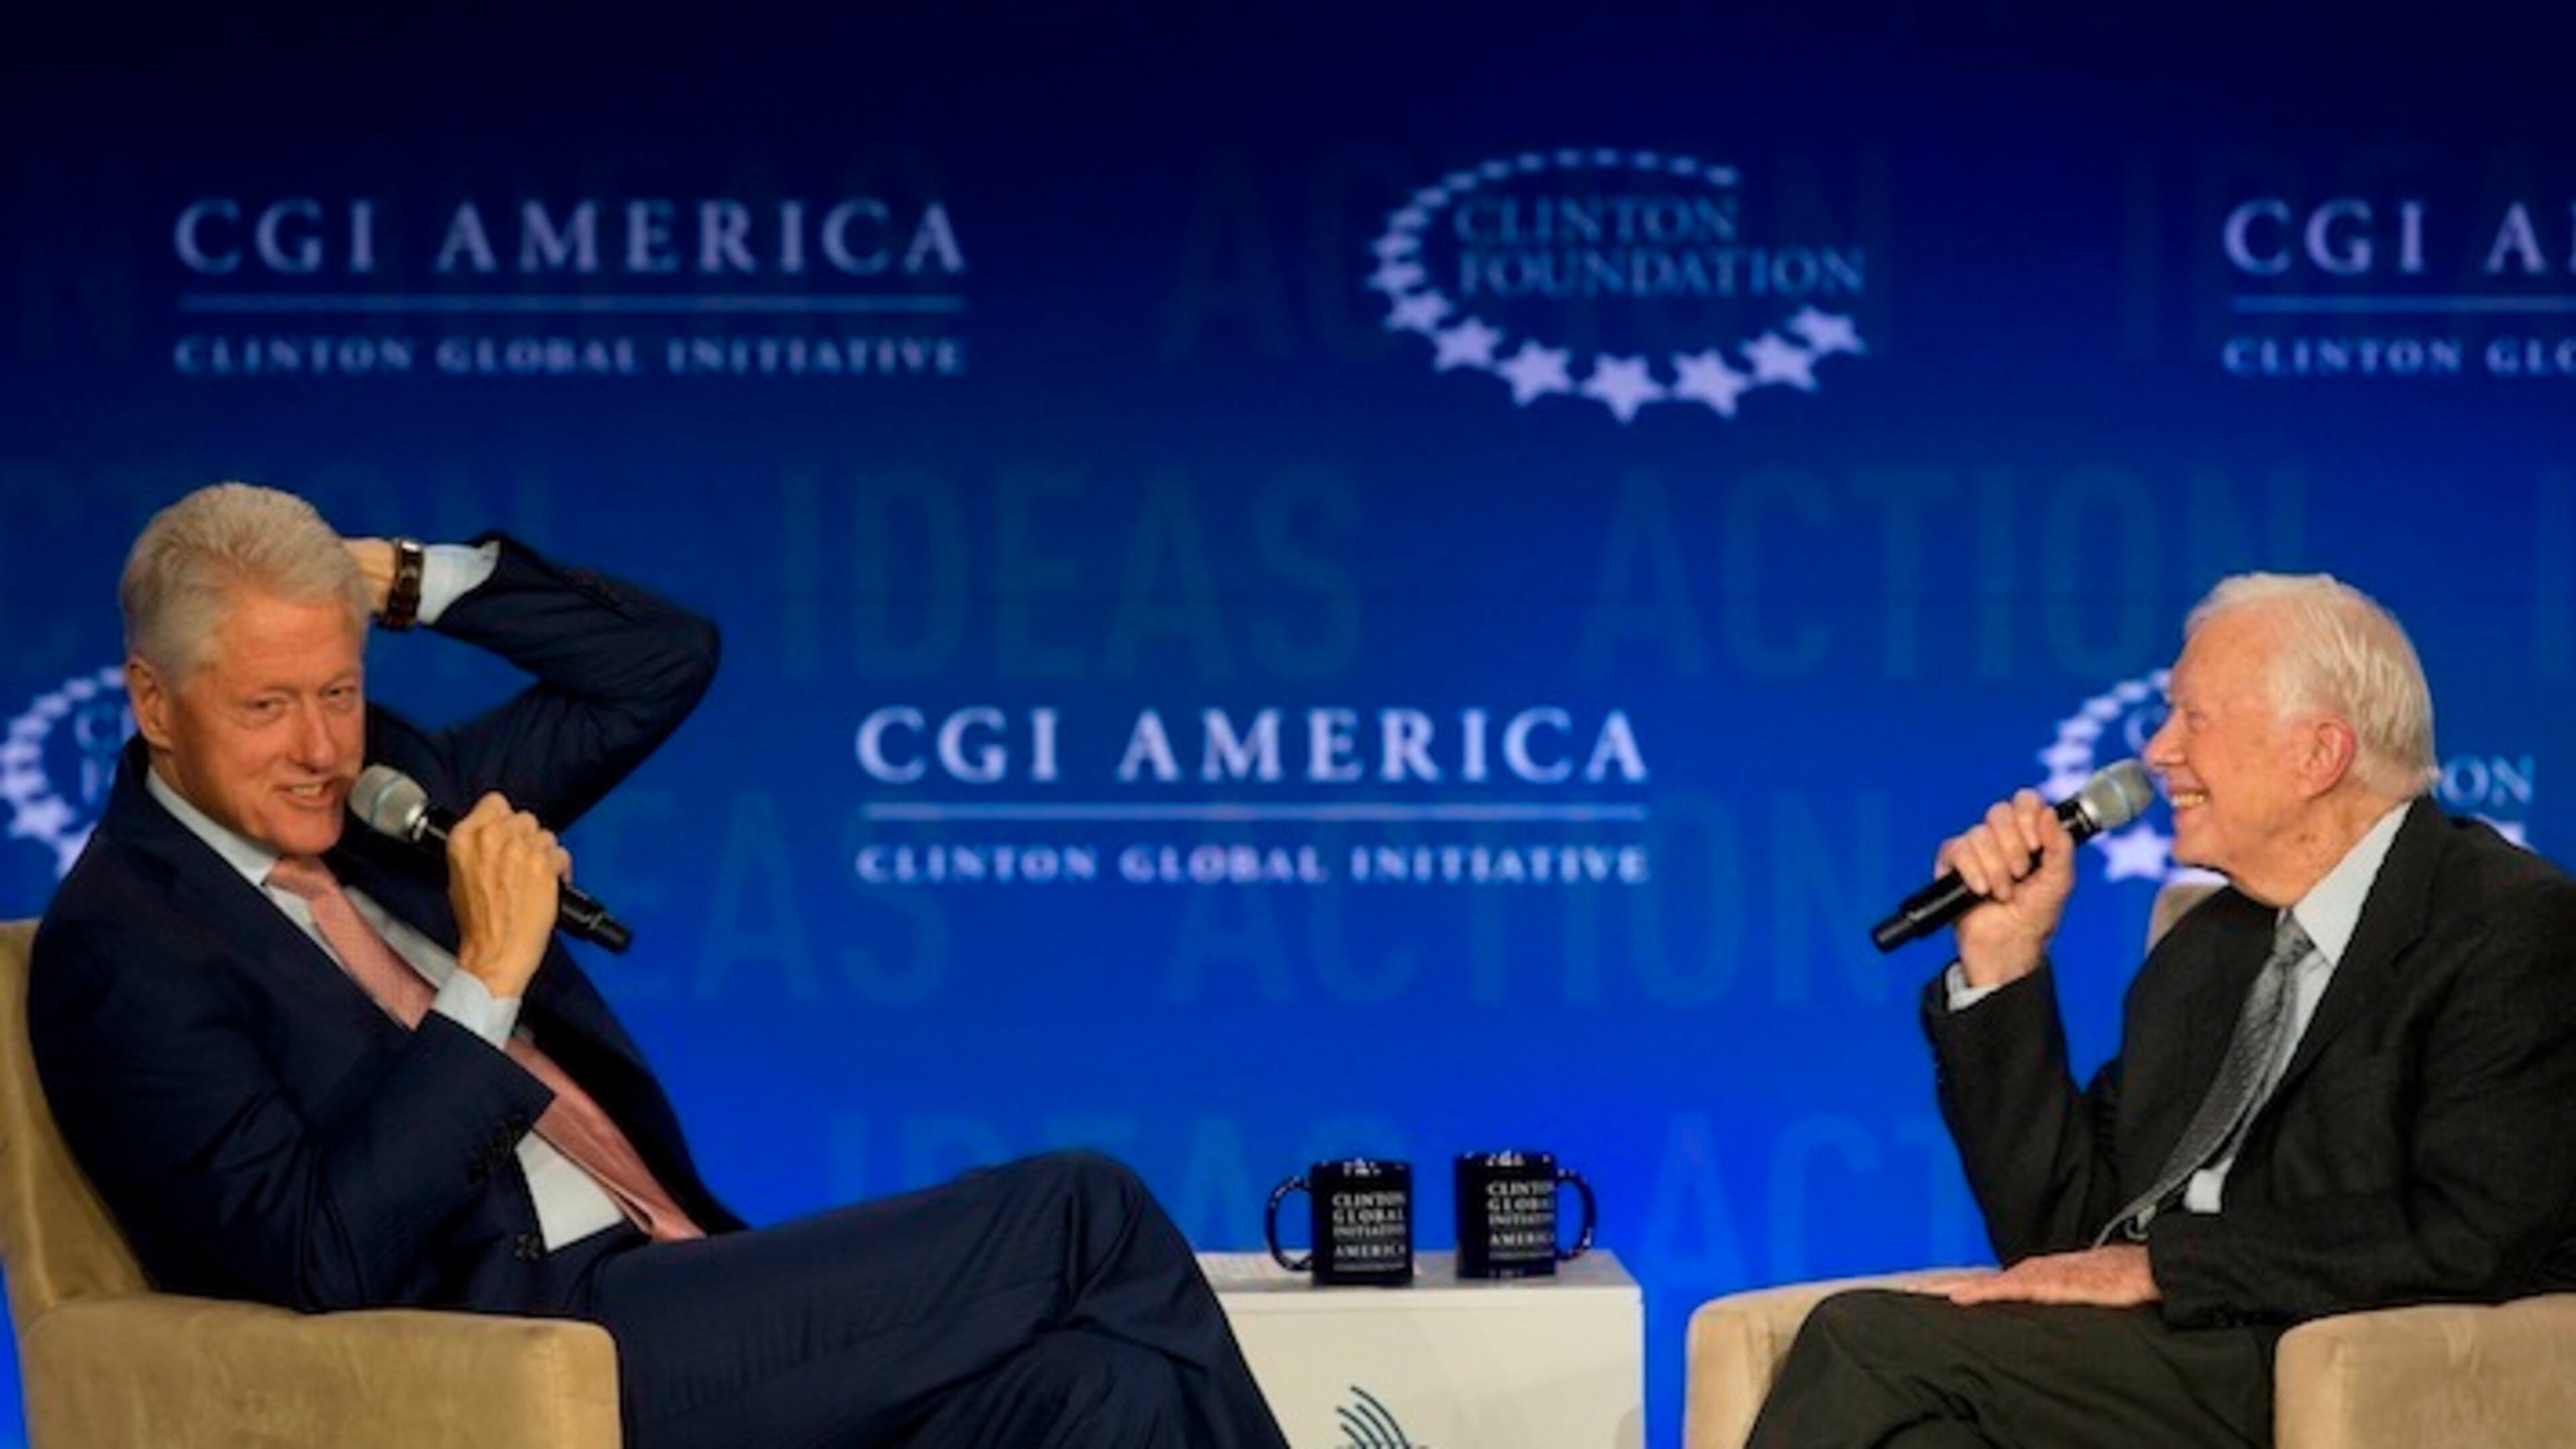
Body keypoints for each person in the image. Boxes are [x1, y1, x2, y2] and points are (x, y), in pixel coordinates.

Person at [30, 482, 1291, 1449]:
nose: (321, 750)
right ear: (155, 703)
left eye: (340, 692)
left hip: (676, 1284)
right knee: (1081, 1210)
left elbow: (654, 665)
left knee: (1106, 1393)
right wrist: (488, 980)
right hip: (534, 1352)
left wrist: (409, 578)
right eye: (268, 706)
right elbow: (324, 1257)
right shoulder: (126, 947)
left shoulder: (383, 796)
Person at [1748, 573, 2576, 1448]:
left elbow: (2470, 1231)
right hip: (2156, 1357)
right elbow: (2060, 1236)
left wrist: (2163, 1267)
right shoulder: (2207, 948)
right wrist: (2004, 958)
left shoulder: (2508, 927)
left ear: (2318, 755)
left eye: (2193, 718)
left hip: (2310, 1355)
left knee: (1860, 1338)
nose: (2157, 750)